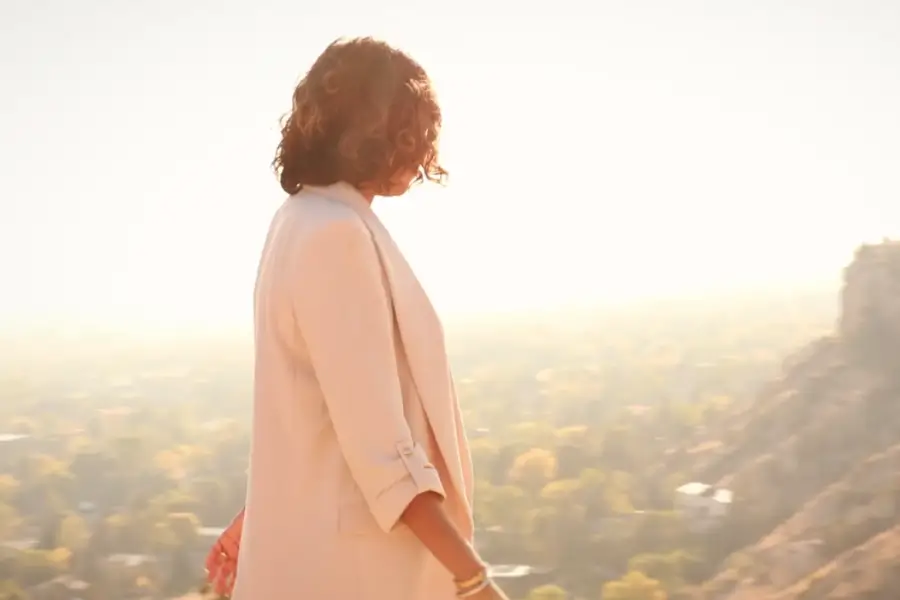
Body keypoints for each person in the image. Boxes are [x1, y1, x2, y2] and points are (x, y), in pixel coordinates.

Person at [203, 37, 509, 600]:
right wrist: (475, 582)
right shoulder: (336, 237)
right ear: (380, 133)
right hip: (359, 575)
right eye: (414, 130)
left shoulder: (298, 220)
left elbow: (321, 409)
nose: (423, 149)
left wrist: (267, 508)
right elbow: (384, 452)